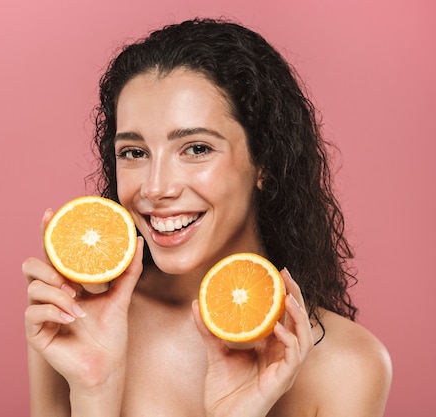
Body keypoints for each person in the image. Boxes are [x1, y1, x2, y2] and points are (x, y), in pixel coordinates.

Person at [22, 17, 392, 417]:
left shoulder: (348, 365)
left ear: (264, 160)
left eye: (196, 149)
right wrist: (96, 390)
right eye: (134, 152)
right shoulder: (74, 322)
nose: (154, 188)